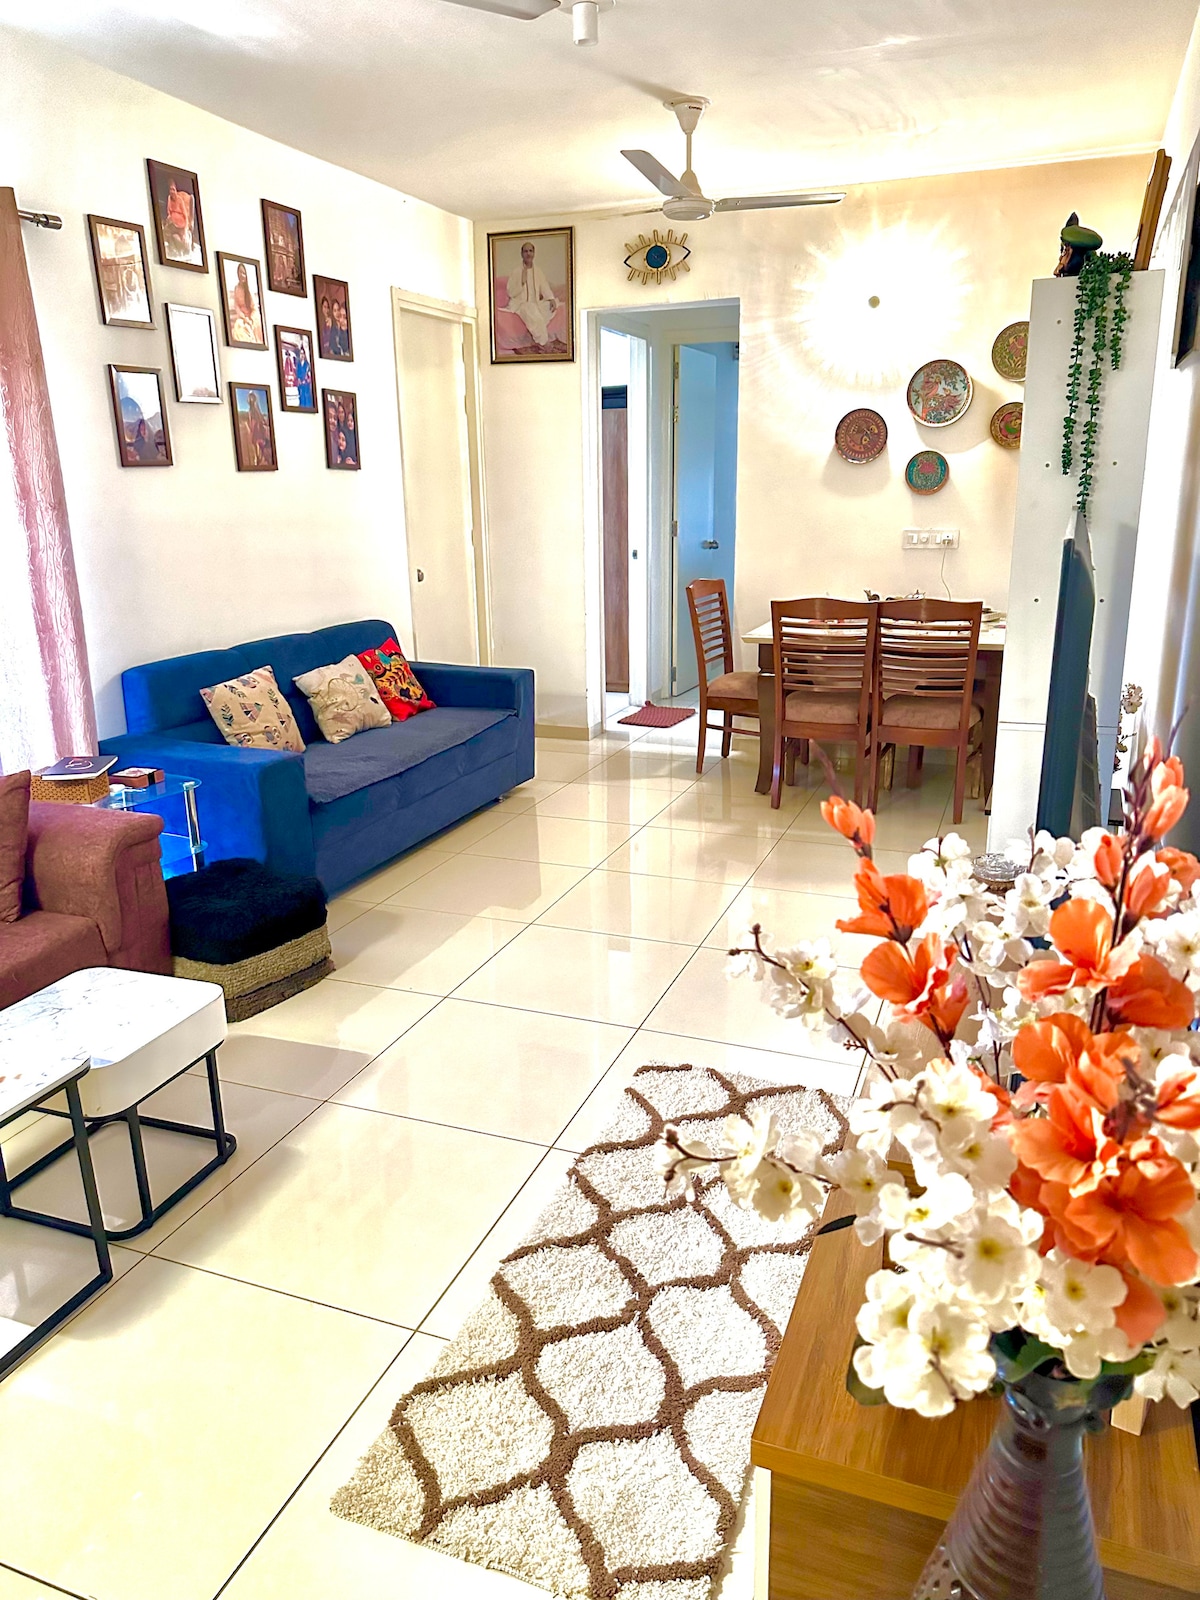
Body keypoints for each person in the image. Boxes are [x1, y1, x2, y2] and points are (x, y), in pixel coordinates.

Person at [504, 240, 558, 349]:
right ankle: (543, 342)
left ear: (534, 253)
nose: (528, 254)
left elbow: (544, 286)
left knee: (552, 305)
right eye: (525, 251)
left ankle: (534, 334)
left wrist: (551, 298)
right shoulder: (516, 271)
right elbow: (510, 292)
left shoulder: (538, 271)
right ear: (522, 254)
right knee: (531, 311)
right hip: (521, 304)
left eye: (530, 251)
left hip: (535, 303)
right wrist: (521, 283)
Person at [229, 261, 262, 344]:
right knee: (238, 328)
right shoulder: (236, 288)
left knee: (251, 330)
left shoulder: (249, 289)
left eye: (243, 273)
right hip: (242, 317)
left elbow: (254, 308)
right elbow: (237, 306)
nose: (242, 275)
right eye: (240, 273)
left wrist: (250, 319)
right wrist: (244, 318)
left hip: (252, 316)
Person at [293, 340, 313, 408]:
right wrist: (299, 379)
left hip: (306, 384)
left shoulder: (307, 364)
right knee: (301, 396)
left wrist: (305, 380)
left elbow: (308, 374)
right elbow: (297, 373)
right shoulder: (298, 364)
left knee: (306, 396)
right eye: (301, 354)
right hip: (300, 384)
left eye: (303, 353)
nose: (302, 355)